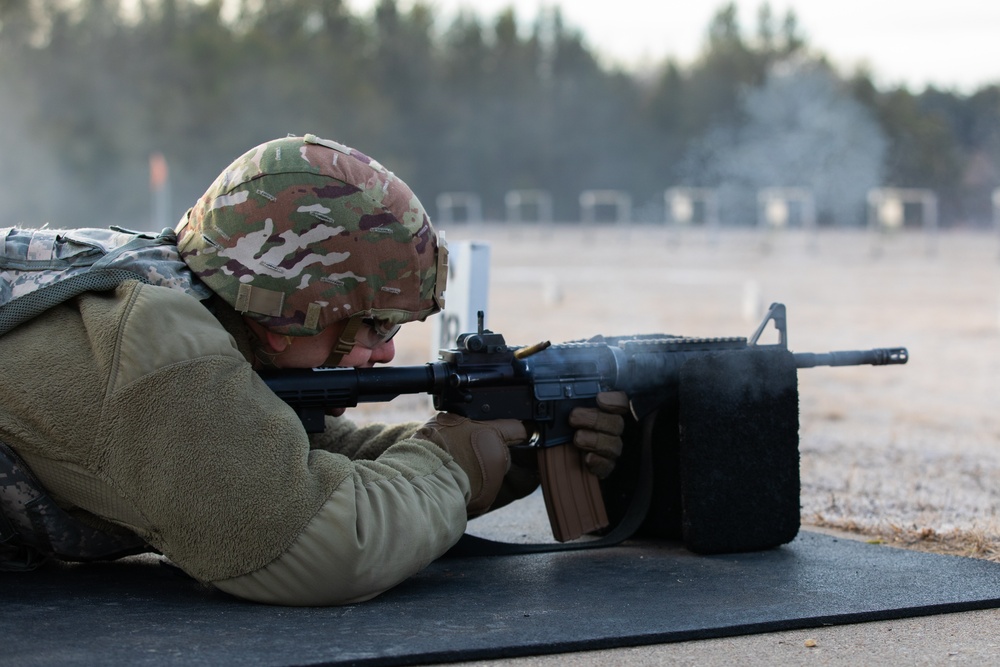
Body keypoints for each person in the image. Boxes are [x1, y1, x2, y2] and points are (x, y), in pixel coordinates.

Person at [0, 134, 628, 606]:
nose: (383, 354)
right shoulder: (159, 350)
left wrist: (507, 448)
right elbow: (324, 542)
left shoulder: (199, 298)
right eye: (374, 325)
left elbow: (287, 449)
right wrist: (453, 464)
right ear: (295, 310)